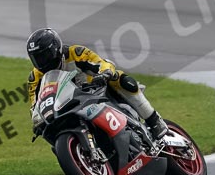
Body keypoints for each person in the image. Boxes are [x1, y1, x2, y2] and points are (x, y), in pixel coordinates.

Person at [26, 28, 168, 139]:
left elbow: (101, 63)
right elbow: (35, 105)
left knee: (120, 78)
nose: (42, 62)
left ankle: (154, 120)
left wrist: (104, 74)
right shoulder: (35, 77)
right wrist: (37, 121)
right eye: (36, 58)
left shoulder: (75, 53)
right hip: (66, 106)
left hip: (95, 92)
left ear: (55, 49)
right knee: (46, 130)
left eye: (44, 56)